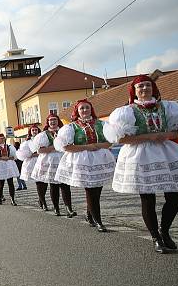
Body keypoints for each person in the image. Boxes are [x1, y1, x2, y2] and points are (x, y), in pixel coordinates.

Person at [104, 76, 178, 253]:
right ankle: (156, 238)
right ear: (134, 91)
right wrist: (149, 137)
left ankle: (164, 230)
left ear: (153, 88)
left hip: (167, 153)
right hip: (140, 155)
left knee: (174, 195)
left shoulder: (168, 107)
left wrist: (166, 135)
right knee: (148, 198)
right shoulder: (127, 112)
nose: (144, 88)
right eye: (140, 86)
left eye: (147, 85)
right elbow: (121, 138)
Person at [54, 99, 115, 232]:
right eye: (82, 109)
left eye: (87, 108)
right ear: (77, 111)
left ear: (91, 109)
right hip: (82, 161)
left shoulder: (101, 124)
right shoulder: (71, 127)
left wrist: (96, 146)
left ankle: (90, 214)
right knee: (90, 190)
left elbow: (110, 142)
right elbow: (67, 147)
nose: (85, 110)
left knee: (97, 190)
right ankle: (98, 221)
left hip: (100, 160)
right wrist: (87, 147)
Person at [31, 114, 75, 217]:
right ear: (48, 122)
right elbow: (40, 150)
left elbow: (70, 145)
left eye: (54, 119)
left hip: (63, 160)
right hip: (50, 162)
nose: (53, 122)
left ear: (58, 121)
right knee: (54, 186)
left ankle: (69, 208)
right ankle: (56, 208)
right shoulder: (43, 135)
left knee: (65, 185)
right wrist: (55, 147)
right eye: (50, 120)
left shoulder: (64, 132)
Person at [16, 125, 43, 208]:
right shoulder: (27, 142)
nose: (34, 131)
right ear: (30, 132)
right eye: (33, 130)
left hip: (43, 160)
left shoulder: (42, 138)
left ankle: (41, 199)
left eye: (36, 130)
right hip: (34, 162)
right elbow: (26, 154)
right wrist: (32, 154)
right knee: (38, 182)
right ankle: (41, 200)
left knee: (43, 182)